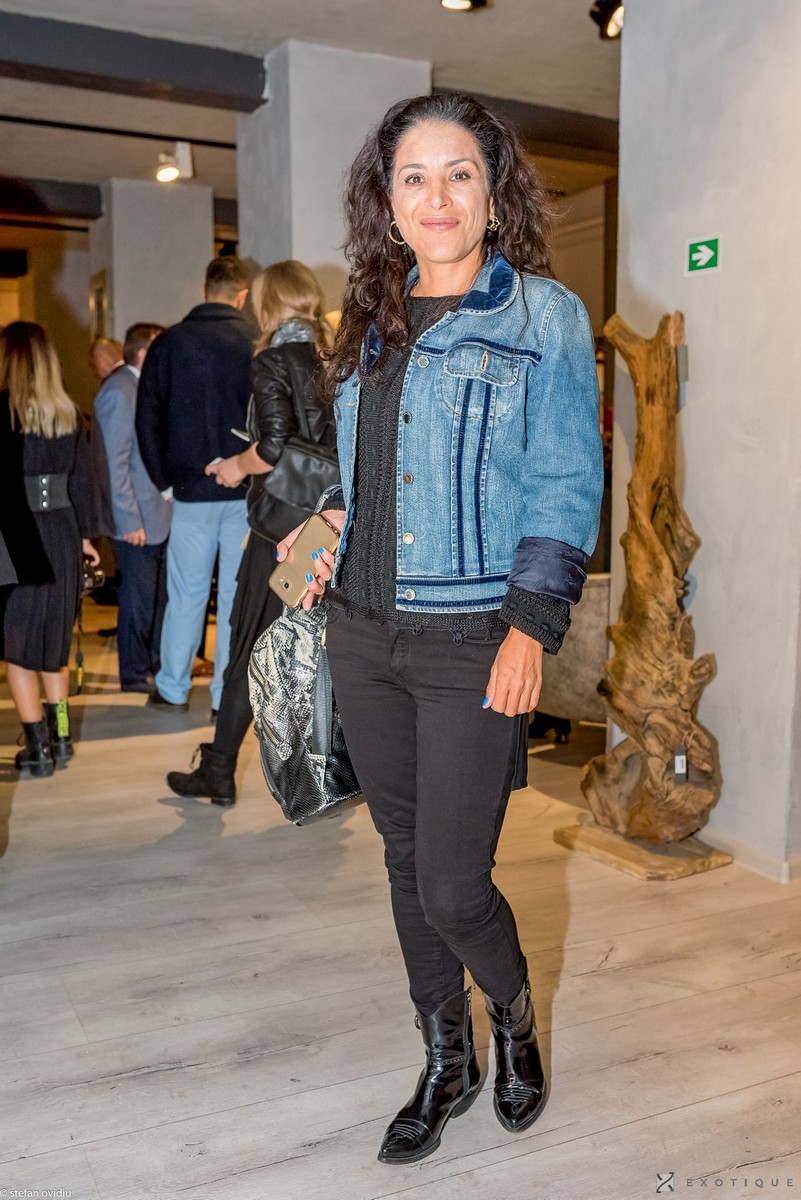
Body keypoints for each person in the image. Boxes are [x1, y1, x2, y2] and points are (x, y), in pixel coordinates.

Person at [278, 93, 603, 1164]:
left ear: (493, 192)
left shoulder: (542, 316)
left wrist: (531, 628)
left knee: (456, 884)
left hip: (473, 635)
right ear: (387, 201)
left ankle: (513, 1016)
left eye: (459, 172)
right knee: (404, 857)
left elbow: (564, 483)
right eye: (412, 176)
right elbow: (366, 472)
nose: (437, 196)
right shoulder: (368, 316)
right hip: (362, 633)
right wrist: (326, 524)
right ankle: (445, 1056)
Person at [165, 260, 334, 805]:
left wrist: (235, 466)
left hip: (278, 527)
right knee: (316, 645)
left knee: (247, 643)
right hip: (328, 525)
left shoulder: (273, 360)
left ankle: (219, 770)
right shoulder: (337, 357)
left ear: (268, 303)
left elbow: (274, 446)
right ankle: (324, 775)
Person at [136, 257, 253, 715]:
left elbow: (147, 420)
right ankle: (226, 698)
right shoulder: (254, 340)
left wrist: (164, 482)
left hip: (189, 490)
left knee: (186, 594)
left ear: (204, 290)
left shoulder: (168, 343)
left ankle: (173, 688)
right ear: (242, 295)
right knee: (235, 597)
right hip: (245, 490)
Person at [0, 322, 100, 776]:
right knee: (54, 644)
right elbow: (84, 484)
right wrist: (86, 539)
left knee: (19, 649)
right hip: (61, 531)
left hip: (15, 538)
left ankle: (37, 749)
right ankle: (62, 740)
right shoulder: (71, 416)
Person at [93, 322, 170, 693]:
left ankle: (153, 664)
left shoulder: (143, 386)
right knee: (138, 601)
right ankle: (134, 673)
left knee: (156, 599)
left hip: (158, 515)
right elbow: (113, 464)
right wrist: (129, 521)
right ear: (143, 352)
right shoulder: (120, 391)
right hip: (136, 519)